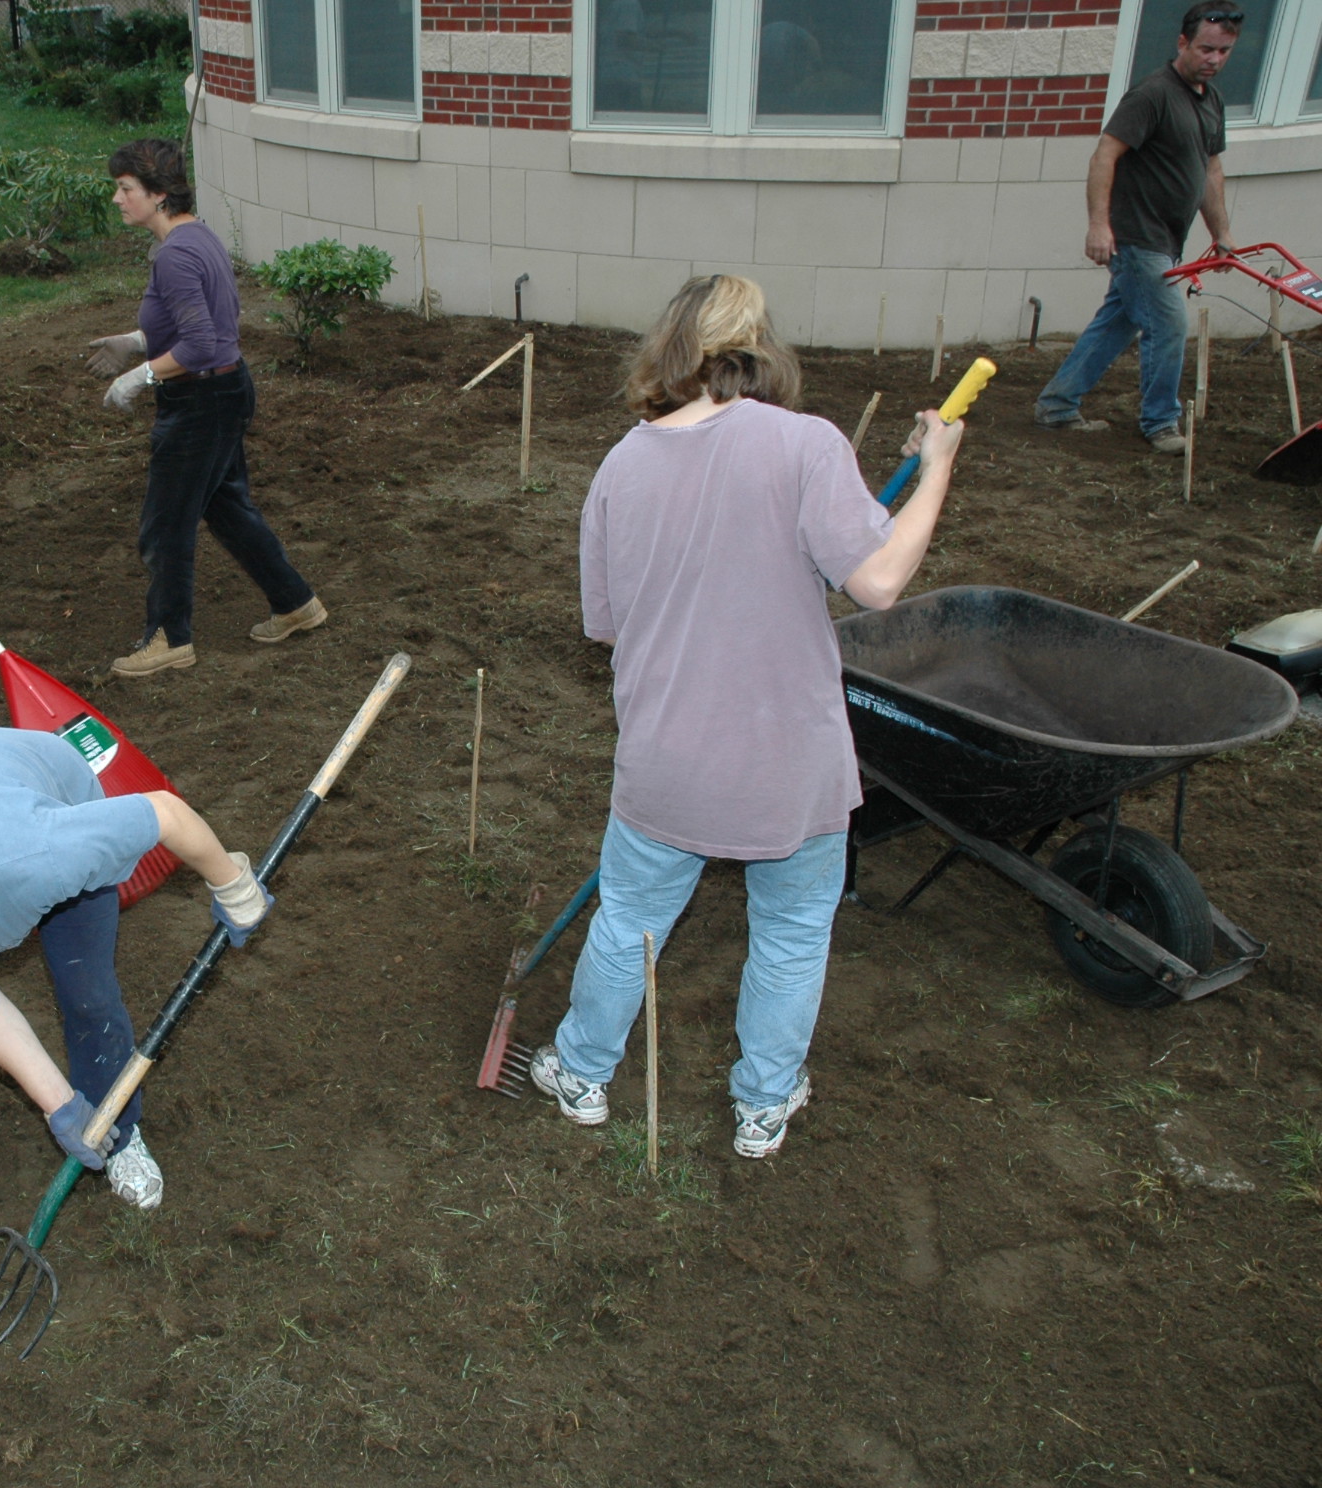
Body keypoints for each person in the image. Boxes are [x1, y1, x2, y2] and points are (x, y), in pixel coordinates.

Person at [528, 274, 962, 1159]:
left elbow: (605, 627)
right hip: (788, 764)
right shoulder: (806, 445)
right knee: (794, 933)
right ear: (760, 347)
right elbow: (876, 578)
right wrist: (940, 466)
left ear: (672, 348)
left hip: (667, 759)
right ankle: (763, 1105)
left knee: (628, 918)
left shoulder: (621, 463)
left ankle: (581, 1071)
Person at [0, 726, 275, 1251]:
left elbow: (165, 814)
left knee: (89, 991)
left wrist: (234, 886)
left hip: (42, 785)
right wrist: (60, 1106)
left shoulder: (49, 853)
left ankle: (119, 1131)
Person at [85, 137, 324, 679]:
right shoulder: (198, 237)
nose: (118, 200)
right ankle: (295, 602)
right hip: (224, 391)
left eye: (126, 190)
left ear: (158, 194)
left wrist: (138, 377)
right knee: (228, 509)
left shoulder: (175, 255)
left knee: (166, 524)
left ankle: (169, 637)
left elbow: (202, 344)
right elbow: (202, 322)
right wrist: (137, 339)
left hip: (200, 402)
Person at [1034, 3, 1239, 455]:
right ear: (1183, 43)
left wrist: (1221, 234)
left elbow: (1210, 169)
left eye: (1224, 51)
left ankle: (1056, 405)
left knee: (1118, 322)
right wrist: (1098, 226)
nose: (1214, 59)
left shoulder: (1212, 101)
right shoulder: (1153, 95)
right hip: (1137, 236)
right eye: (1206, 49)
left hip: (1167, 239)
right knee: (1168, 325)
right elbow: (1104, 155)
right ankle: (1161, 423)